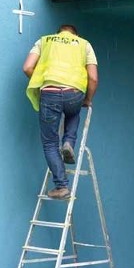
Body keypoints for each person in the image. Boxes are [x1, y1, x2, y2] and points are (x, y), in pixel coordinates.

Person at [23, 24, 98, 199]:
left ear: (58, 33)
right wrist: (87, 99)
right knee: (73, 111)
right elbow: (93, 77)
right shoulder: (84, 44)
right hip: (74, 93)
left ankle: (62, 186)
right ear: (75, 35)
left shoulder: (45, 41)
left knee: (50, 143)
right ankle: (69, 143)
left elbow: (27, 67)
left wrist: (42, 82)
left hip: (50, 93)